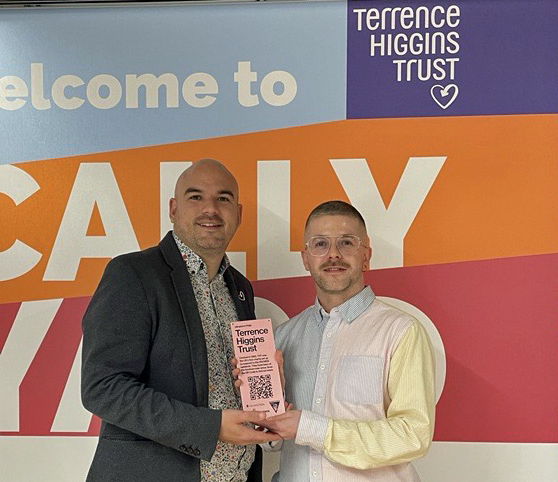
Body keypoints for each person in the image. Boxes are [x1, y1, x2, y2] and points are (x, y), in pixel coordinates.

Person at [81, 159, 280, 482]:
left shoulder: (240, 289)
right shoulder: (134, 274)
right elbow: (102, 387)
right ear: (173, 209)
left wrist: (267, 390)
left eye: (223, 198)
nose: (210, 209)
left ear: (239, 215)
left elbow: (233, 390)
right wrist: (210, 427)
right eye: (196, 197)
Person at [258, 200, 435, 482]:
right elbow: (272, 441)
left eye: (346, 243)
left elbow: (413, 435)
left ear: (366, 255)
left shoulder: (401, 331)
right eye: (320, 244)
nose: (333, 255)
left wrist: (313, 428)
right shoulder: (283, 336)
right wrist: (266, 405)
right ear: (305, 258)